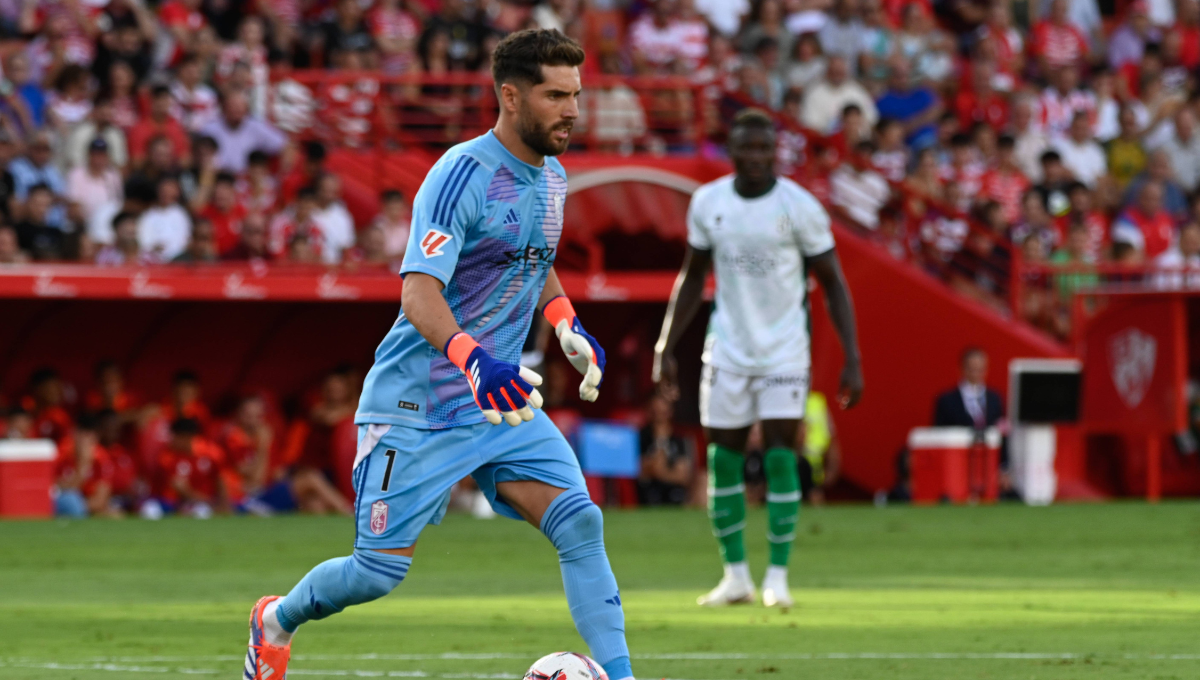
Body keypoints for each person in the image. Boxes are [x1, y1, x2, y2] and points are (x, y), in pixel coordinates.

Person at [242, 30, 636, 680]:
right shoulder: (461, 175)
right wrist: (475, 361)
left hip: (500, 405)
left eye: (576, 95)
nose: (572, 110)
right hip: (419, 404)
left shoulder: (553, 178)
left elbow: (532, 261)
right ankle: (276, 619)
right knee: (375, 572)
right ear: (511, 97)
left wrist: (565, 321)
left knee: (580, 523)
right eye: (555, 96)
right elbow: (418, 292)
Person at [653, 108, 864, 609]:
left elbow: (834, 283)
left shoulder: (800, 207)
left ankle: (778, 576)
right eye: (746, 148)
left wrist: (853, 357)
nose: (755, 157)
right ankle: (735, 577)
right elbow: (691, 277)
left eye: (763, 148)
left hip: (785, 352)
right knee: (722, 458)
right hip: (727, 349)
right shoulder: (709, 202)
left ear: (775, 152)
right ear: (731, 151)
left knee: (780, 453)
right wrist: (665, 344)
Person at [637, 394, 694, 506]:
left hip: (677, 498)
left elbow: (684, 477)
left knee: (703, 479)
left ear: (670, 412)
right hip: (649, 499)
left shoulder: (680, 438)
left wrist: (659, 471)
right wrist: (661, 441)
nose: (659, 419)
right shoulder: (641, 437)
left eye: (663, 413)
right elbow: (643, 471)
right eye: (655, 413)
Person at [933, 348, 1003, 428]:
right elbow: (939, 431)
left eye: (980, 369)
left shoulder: (994, 398)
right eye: (972, 369)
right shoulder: (946, 400)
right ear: (962, 368)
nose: (975, 374)